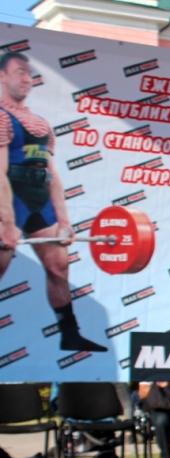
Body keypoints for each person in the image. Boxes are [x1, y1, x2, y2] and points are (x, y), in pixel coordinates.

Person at [0, 52, 104, 352]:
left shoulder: (41, 123)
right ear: (2, 77)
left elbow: (52, 173)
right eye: (19, 72)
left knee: (59, 266)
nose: (25, 78)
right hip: (7, 199)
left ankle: (69, 334)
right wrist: (7, 223)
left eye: (28, 74)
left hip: (39, 200)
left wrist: (64, 220)